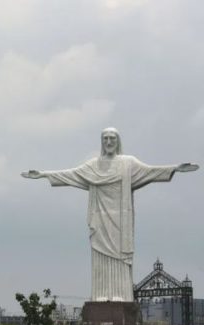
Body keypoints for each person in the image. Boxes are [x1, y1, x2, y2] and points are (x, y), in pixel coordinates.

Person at [22, 127, 198, 302]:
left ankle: (120, 295)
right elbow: (71, 174)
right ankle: (100, 294)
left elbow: (150, 171)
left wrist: (175, 168)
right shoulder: (93, 165)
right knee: (100, 256)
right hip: (100, 218)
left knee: (120, 258)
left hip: (121, 220)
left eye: (112, 138)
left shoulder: (128, 163)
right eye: (105, 138)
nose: (108, 142)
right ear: (101, 142)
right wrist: (44, 174)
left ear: (118, 141)